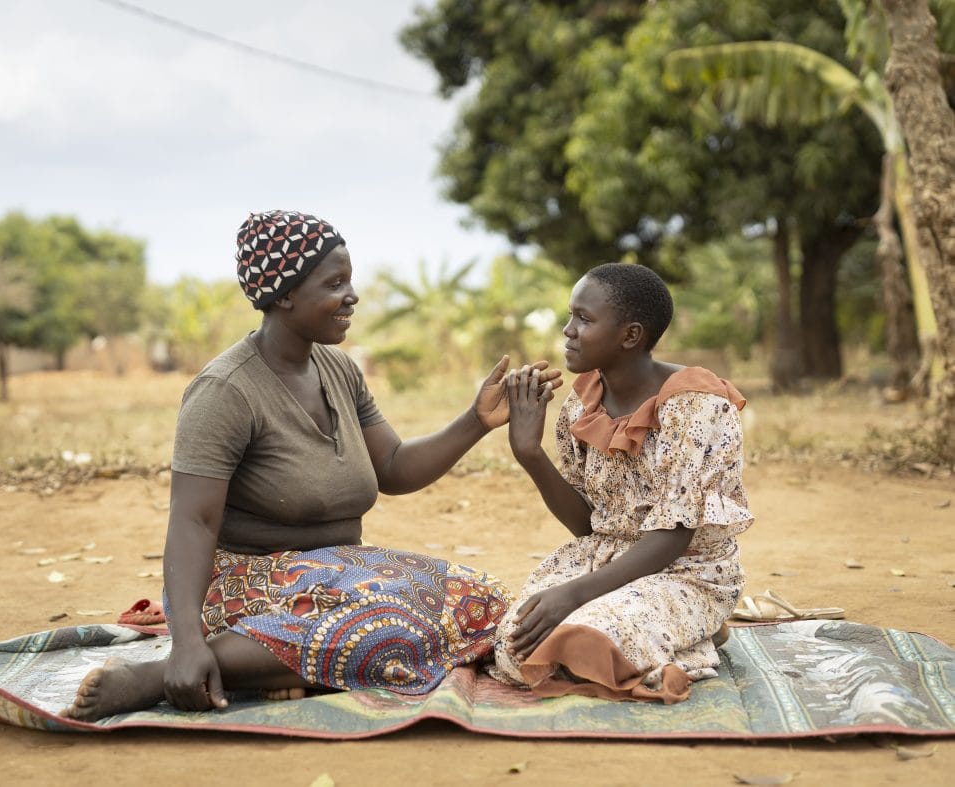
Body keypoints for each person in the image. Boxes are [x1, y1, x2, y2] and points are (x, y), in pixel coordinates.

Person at [62, 210, 558, 720]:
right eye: (335, 283)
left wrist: (476, 420)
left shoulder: (338, 368)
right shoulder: (225, 390)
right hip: (240, 584)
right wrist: (186, 639)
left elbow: (393, 467)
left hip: (335, 574)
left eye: (350, 281)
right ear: (284, 295)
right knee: (387, 625)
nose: (352, 296)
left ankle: (277, 668)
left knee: (484, 601)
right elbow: (193, 521)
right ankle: (166, 674)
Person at [489, 262, 751, 704]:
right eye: (570, 316)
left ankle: (695, 627)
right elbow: (589, 524)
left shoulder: (696, 408)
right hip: (605, 562)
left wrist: (572, 595)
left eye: (584, 319)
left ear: (630, 336)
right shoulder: (582, 404)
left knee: (586, 640)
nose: (568, 330)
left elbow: (673, 536)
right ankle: (685, 634)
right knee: (515, 649)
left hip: (687, 570)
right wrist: (528, 451)